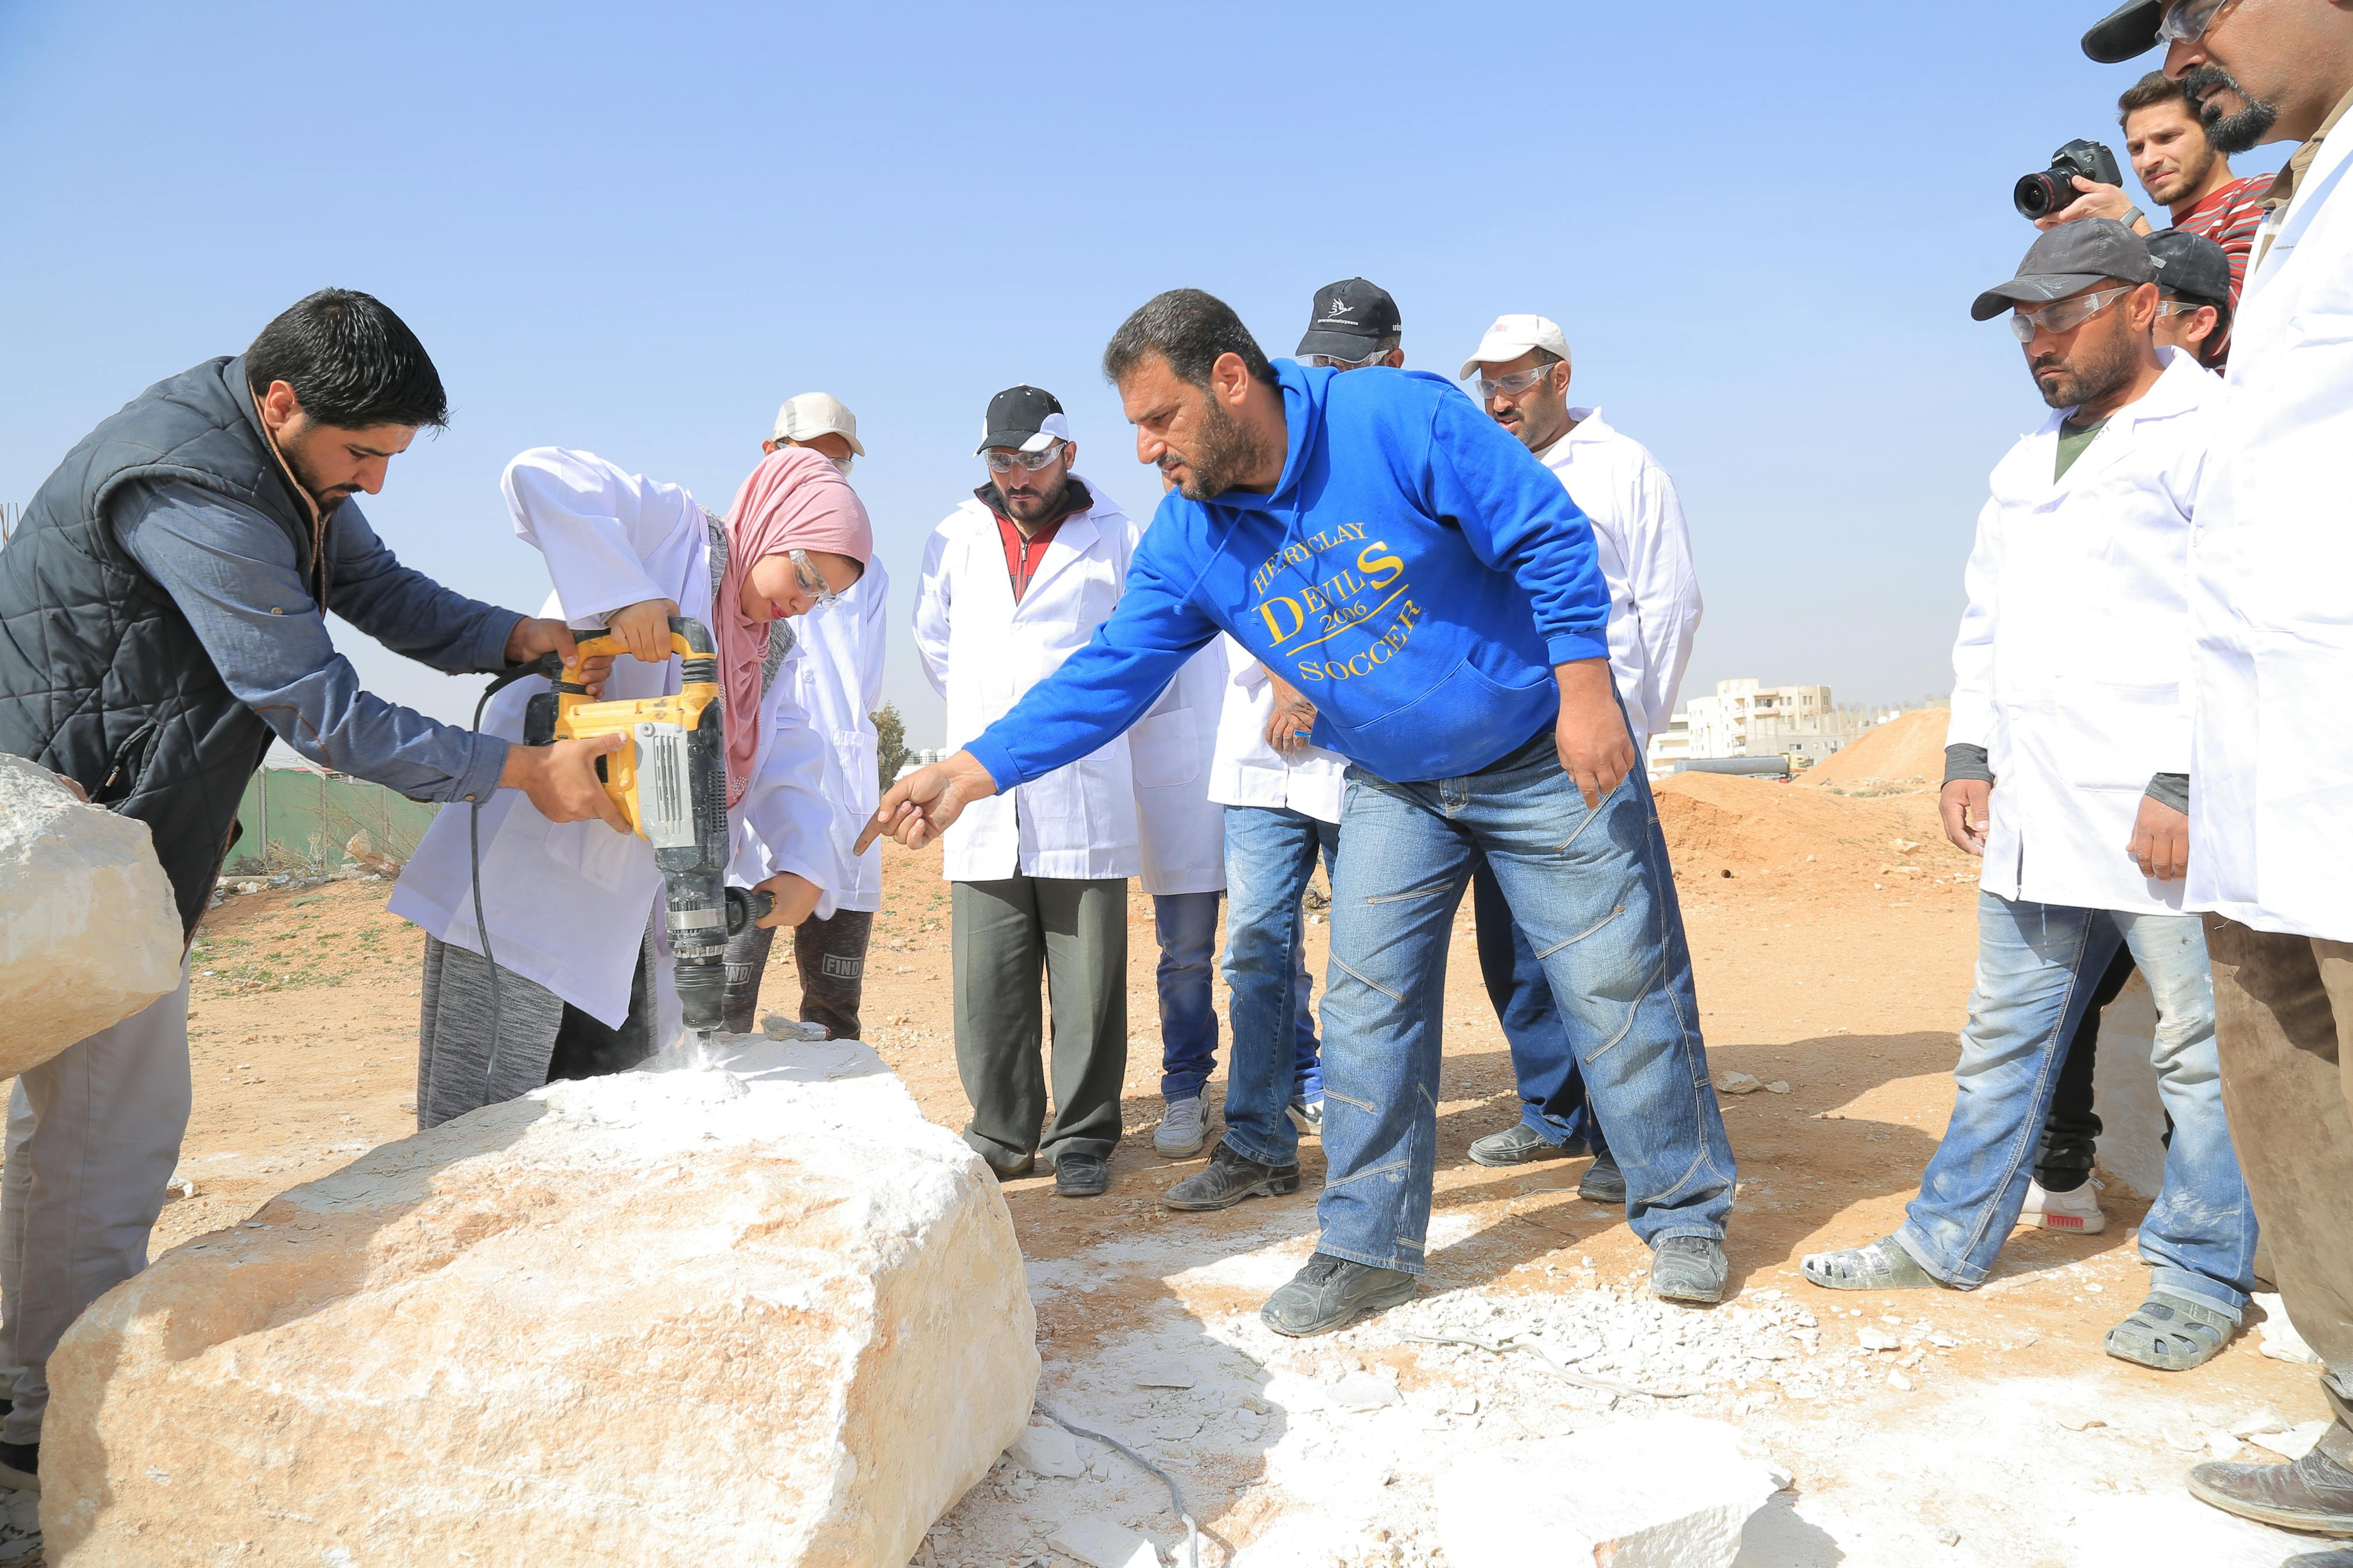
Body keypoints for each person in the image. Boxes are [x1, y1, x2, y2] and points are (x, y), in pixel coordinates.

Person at [870, 290, 1737, 1333]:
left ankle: (1685, 1207)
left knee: (1618, 981)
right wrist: (971, 768)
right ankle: (1367, 1244)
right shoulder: (1191, 536)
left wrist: (1589, 692)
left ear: (1230, 378)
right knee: (1370, 1008)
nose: (1143, 450)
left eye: (1160, 419)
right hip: (1395, 780)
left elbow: (1548, 534)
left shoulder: (1393, 419)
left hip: (1536, 750)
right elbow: (1110, 672)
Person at [0, 288, 617, 1488]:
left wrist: (526, 641)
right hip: (67, 847)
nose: (376, 482)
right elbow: (313, 705)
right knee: (106, 1132)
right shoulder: (193, 486)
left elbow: (381, 596)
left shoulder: (285, 470)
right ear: (281, 402)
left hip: (114, 841)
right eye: (363, 454)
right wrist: (519, 769)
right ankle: (45, 1406)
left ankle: (31, 1385)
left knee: (89, 1121)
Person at [1801, 221, 2257, 1379]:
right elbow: (1986, 621)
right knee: (2003, 1038)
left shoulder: (2209, 431)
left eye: (2061, 315)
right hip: (2040, 807)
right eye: (2024, 322)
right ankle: (1945, 1234)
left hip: (2163, 817)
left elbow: (2237, 619)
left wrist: (2185, 776)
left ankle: (2201, 1270)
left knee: (2201, 1056)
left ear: (2143, 304)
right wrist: (1966, 749)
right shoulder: (2023, 460)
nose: (2037, 341)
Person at [2083, 0, 2353, 1546]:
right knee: (2285, 1080)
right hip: (2279, 763)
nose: (2189, 49)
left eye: (2208, 9)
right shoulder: (2309, 188)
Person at [390, 445, 863, 1123]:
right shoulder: (672, 533)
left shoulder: (770, 648)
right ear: (774, 522)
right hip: (534, 873)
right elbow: (536, 472)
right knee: (485, 1114)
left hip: (637, 907)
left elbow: (786, 756)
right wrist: (624, 594)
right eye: (807, 572)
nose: (806, 600)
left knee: (610, 1107)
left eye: (826, 594)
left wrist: (804, 862)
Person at [1160, 277, 1405, 1197]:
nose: (1332, 374)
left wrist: (1307, 685)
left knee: (1368, 960)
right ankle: (1259, 1141)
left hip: (1361, 755)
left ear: (1393, 360)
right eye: (1321, 359)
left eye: (1352, 358)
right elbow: (1238, 584)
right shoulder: (1258, 449)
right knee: (1258, 947)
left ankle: (1364, 1153)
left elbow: (1387, 588)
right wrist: (1287, 677)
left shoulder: (1387, 449)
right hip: (1260, 755)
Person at [1457, 313, 1704, 1197]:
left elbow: (1671, 604)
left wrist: (1628, 722)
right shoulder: (1483, 468)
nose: (1497, 401)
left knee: (1612, 951)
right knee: (1514, 945)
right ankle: (1552, 1113)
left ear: (1560, 377)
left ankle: (1622, 1140)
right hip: (1506, 746)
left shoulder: (1624, 467)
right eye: (1487, 385)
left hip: (1594, 741)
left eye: (1513, 383)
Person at [911, 386, 1140, 1199]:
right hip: (974, 791)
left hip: (1083, 786)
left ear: (1068, 455)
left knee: (1088, 988)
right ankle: (1001, 1135)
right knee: (988, 984)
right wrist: (986, 707)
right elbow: (932, 641)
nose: (1017, 477)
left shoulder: (1117, 534)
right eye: (1002, 461)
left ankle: (1081, 1136)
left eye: (1033, 460)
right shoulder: (954, 536)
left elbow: (1140, 653)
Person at [719, 392, 891, 1042]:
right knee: (720, 1009)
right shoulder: (723, 558)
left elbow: (861, 683)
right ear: (772, 456)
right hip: (749, 804)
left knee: (834, 1005)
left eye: (838, 462)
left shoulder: (863, 572)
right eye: (809, 457)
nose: (824, 472)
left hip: (837, 788)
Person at [2039, 69, 2277, 306]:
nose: (2148, 160)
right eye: (2137, 149)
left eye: (2167, 138)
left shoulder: (2263, 197)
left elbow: (2228, 320)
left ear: (2213, 133)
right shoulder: (2154, 244)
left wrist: (2128, 221)